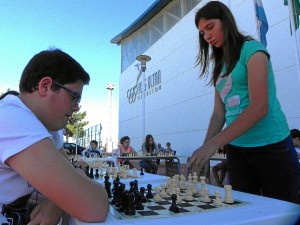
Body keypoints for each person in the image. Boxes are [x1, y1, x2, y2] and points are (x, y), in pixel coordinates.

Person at [188, 1, 299, 203]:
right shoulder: (219, 65)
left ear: (226, 21)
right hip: (237, 150)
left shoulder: (253, 50)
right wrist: (204, 150)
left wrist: (214, 143)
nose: (207, 36)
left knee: (284, 212)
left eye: (210, 27)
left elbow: (259, 107)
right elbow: (219, 114)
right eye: (202, 33)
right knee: (244, 211)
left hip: (271, 146)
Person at [0, 49, 109, 223]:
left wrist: (56, 203)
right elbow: (95, 207)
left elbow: (71, 175)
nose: (77, 107)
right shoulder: (14, 119)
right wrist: (64, 199)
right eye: (75, 97)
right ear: (45, 86)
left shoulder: (43, 125)